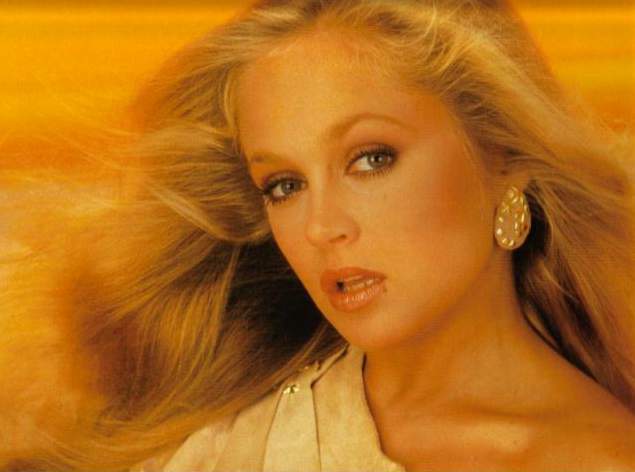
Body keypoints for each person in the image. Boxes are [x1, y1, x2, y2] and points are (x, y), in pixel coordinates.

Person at [2, 0, 635, 470]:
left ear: (504, 158)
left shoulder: (596, 458)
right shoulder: (216, 437)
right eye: (283, 185)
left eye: (371, 159)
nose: (320, 227)